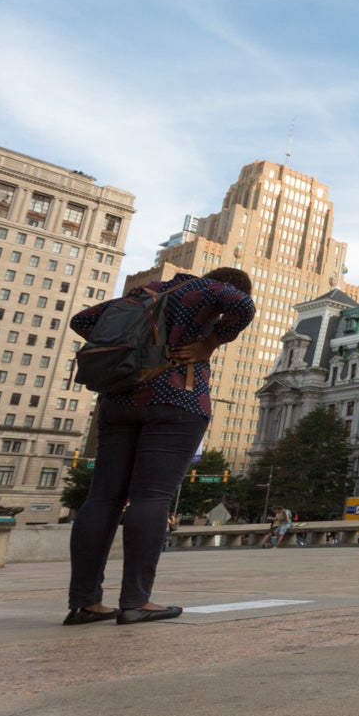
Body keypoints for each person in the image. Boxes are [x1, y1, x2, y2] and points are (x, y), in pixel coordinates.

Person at [63, 268, 255, 626]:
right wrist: (211, 342)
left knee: (102, 498)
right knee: (152, 497)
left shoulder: (146, 292)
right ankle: (136, 600)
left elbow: (83, 319)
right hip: (177, 398)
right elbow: (242, 305)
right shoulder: (212, 289)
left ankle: (84, 602)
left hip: (118, 400)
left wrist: (136, 351)